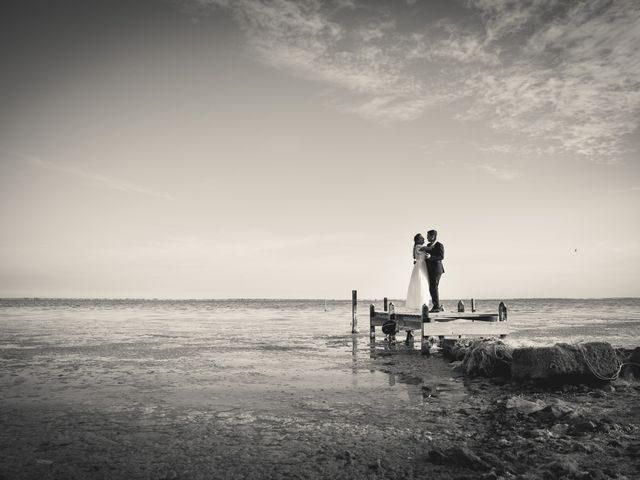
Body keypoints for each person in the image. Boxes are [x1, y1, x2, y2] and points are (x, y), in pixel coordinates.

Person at [419, 229, 445, 312]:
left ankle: (436, 306)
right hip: (430, 269)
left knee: (434, 287)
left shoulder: (439, 245)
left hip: (437, 269)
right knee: (432, 288)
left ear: (433, 236)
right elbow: (425, 256)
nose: (427, 238)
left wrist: (431, 257)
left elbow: (441, 256)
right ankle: (436, 305)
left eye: (428, 236)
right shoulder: (428, 245)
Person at [405, 233, 430, 311]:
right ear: (418, 240)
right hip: (421, 266)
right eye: (422, 238)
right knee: (421, 284)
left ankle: (420, 303)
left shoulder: (417, 247)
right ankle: (421, 303)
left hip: (420, 265)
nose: (424, 239)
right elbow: (429, 249)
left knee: (421, 284)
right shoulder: (419, 246)